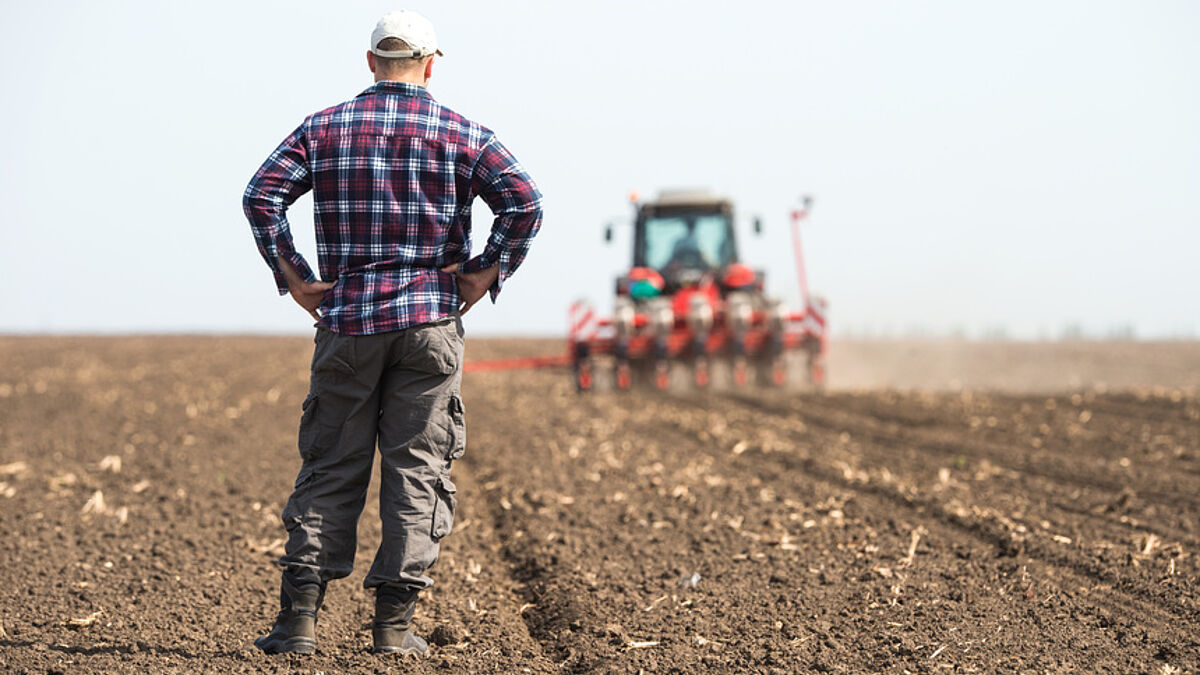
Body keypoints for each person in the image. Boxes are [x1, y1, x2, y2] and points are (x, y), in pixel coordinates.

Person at [241, 9, 543, 656]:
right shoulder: (464, 133)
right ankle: (394, 628)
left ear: (370, 62)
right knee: (418, 469)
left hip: (347, 321)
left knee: (330, 465)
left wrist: (294, 276)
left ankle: (297, 623)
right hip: (430, 323)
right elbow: (525, 202)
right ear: (432, 65)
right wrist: (486, 271)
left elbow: (261, 194)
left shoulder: (323, 129)